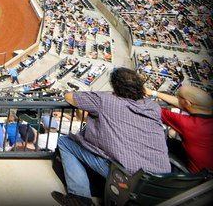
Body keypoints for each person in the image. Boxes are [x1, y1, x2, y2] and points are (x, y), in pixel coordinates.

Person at [51, 68, 170, 206]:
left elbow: (69, 96)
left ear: (114, 85)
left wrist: (108, 94)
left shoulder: (105, 100)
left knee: (65, 142)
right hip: (161, 181)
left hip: (128, 178)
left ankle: (79, 198)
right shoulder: (153, 106)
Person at [147, 84, 212, 173]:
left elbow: (152, 109)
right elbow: (185, 104)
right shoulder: (206, 115)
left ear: (187, 103)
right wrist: (154, 92)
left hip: (196, 176)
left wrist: (151, 93)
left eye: (178, 98)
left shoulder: (187, 123)